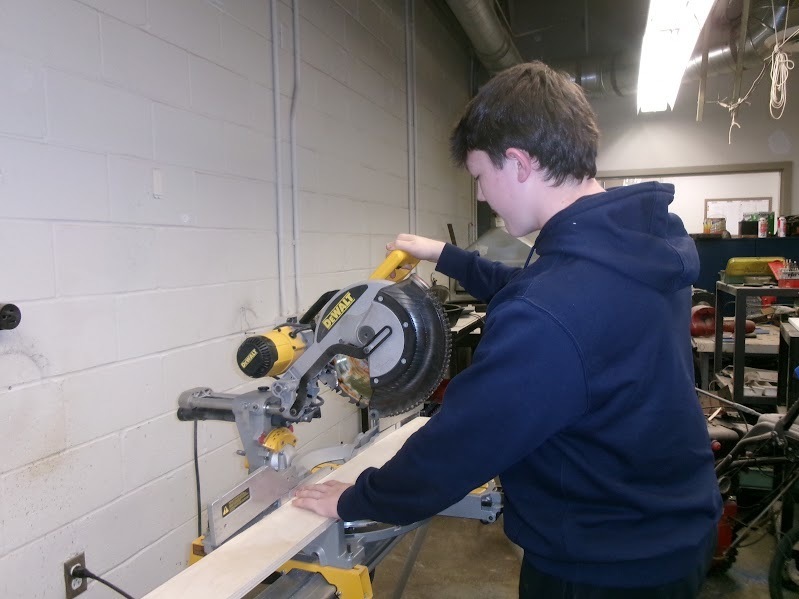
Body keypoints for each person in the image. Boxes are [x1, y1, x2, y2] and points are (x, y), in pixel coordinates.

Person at [295, 61, 721, 598]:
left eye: (480, 176)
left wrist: (356, 498)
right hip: (671, 526)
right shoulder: (643, 246)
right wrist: (445, 255)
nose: (481, 195)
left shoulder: (552, 309)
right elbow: (544, 292)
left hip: (602, 565)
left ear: (518, 163)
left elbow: (459, 446)